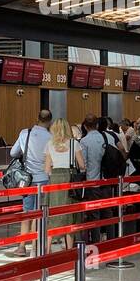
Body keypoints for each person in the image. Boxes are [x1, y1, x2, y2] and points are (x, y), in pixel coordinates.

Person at [8, 108, 53, 257]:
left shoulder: (24, 133)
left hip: (27, 180)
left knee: (27, 213)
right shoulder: (51, 137)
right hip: (44, 180)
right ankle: (35, 246)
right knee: (39, 214)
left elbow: (13, 153)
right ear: (49, 121)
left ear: (37, 118)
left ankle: (21, 247)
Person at [44, 117, 84, 249]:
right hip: (69, 178)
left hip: (55, 179)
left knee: (54, 211)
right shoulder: (74, 143)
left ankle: (47, 248)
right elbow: (82, 165)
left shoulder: (49, 144)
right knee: (69, 213)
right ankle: (69, 248)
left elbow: (47, 169)